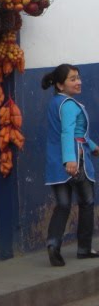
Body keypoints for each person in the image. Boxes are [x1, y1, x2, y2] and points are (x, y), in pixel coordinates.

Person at [42, 64, 99, 267]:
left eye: (79, 77)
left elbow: (77, 133)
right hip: (75, 161)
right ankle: (84, 248)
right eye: (73, 79)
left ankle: (53, 245)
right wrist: (71, 160)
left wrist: (93, 147)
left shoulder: (55, 103)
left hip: (56, 162)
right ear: (59, 84)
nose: (79, 82)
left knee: (63, 205)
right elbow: (68, 133)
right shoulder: (69, 105)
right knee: (87, 202)